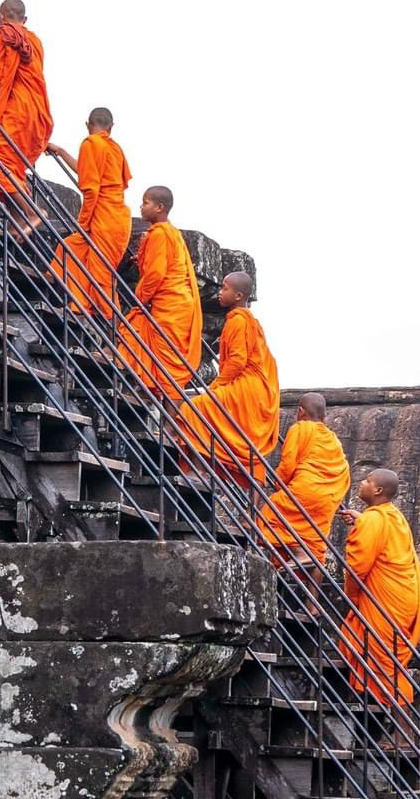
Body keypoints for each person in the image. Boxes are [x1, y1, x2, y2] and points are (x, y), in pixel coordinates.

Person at [338, 467, 420, 704]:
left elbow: (357, 567)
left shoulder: (375, 520)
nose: (361, 483)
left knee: (384, 663)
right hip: (402, 598)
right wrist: (363, 520)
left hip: (384, 601)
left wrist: (352, 598)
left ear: (377, 490)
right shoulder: (394, 517)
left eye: (367, 481)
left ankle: (399, 720)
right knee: (387, 660)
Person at [179, 270, 279, 482]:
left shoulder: (238, 321)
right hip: (255, 388)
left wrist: (216, 385)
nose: (219, 292)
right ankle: (201, 467)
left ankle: (195, 469)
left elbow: (237, 361)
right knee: (208, 411)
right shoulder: (246, 320)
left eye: (225, 288)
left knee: (193, 408)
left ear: (238, 296)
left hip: (245, 385)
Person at [119, 186, 202, 401]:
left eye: (145, 203)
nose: (141, 207)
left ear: (159, 207)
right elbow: (168, 262)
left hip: (170, 306)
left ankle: (170, 423)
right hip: (176, 303)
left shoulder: (160, 235)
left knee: (168, 366)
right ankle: (149, 395)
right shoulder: (170, 233)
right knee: (140, 332)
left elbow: (156, 274)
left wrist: (140, 297)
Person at [47, 108, 132, 314]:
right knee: (70, 247)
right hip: (117, 219)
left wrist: (83, 223)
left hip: (104, 219)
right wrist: (61, 151)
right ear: (110, 128)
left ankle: (113, 323)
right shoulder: (115, 148)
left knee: (101, 274)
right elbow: (89, 171)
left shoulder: (90, 144)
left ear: (87, 125)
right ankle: (77, 301)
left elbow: (91, 190)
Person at [256, 392, 351, 567]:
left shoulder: (300, 428)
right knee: (315, 544)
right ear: (324, 416)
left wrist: (279, 483)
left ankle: (300, 553)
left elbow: (288, 464)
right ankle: (311, 593)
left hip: (306, 491)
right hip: (328, 498)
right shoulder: (333, 439)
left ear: (300, 411)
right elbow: (344, 469)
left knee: (269, 516)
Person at [0, 0, 53, 204]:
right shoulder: (35, 41)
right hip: (37, 111)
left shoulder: (4, 34)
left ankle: (30, 213)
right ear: (25, 19)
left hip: (15, 109)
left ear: (1, 17)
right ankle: (19, 216)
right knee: (11, 163)